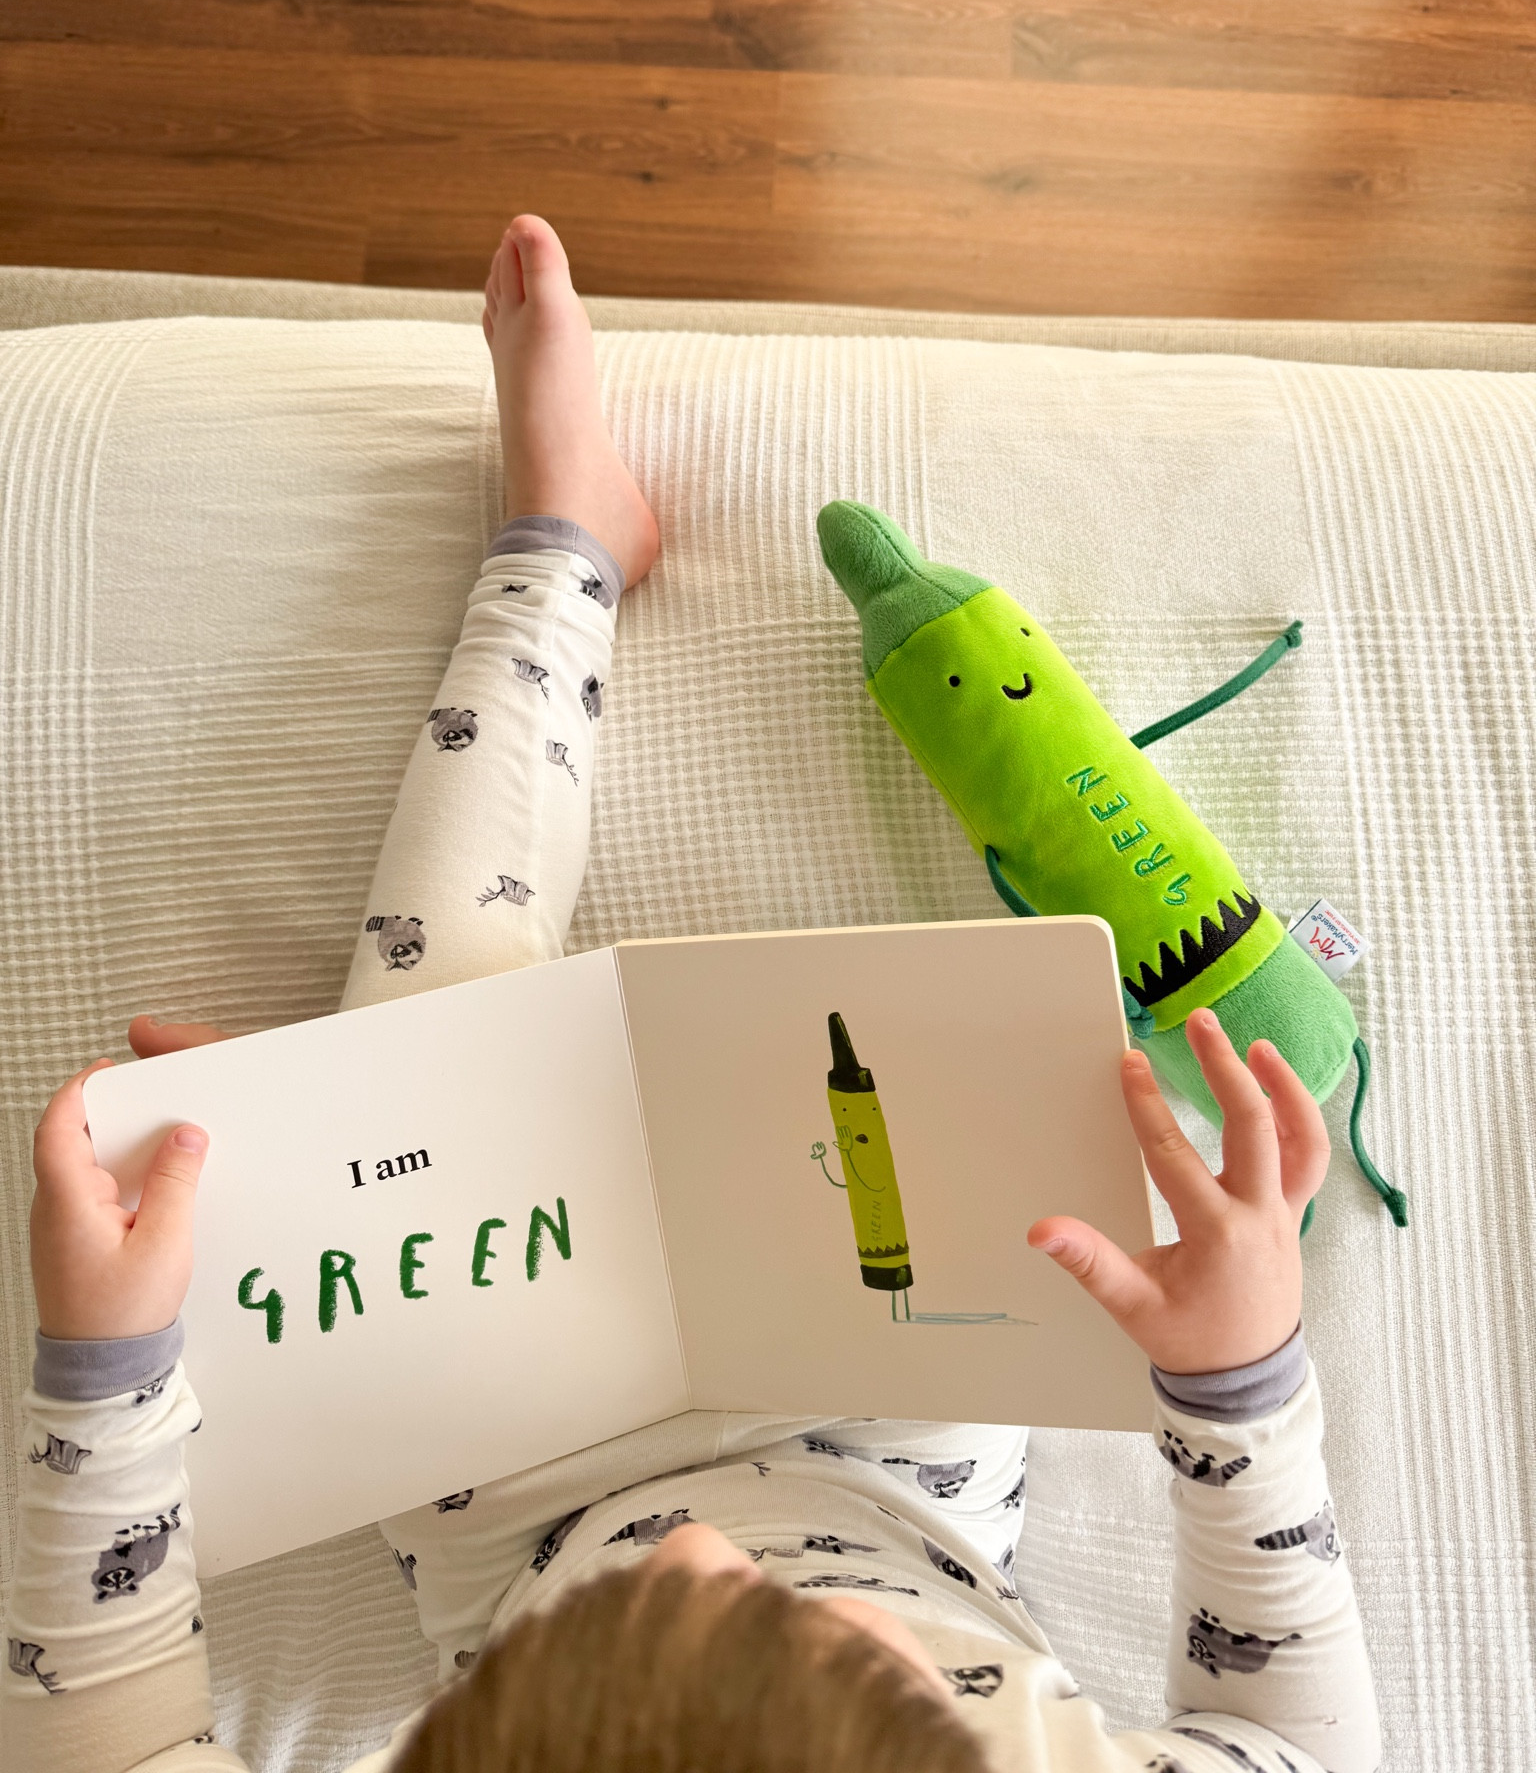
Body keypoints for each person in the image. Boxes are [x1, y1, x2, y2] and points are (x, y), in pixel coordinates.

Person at [4, 218, 1382, 1773]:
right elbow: (1299, 1734)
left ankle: (560, 553)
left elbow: (96, 1745)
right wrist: (1236, 1383)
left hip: (515, 1513)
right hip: (902, 1459)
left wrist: (113, 1375)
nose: (696, 1556)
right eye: (782, 1622)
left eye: (664, 1598)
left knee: (425, 1015)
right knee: (978, 1095)